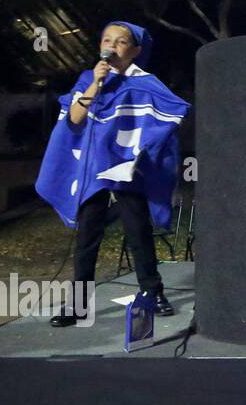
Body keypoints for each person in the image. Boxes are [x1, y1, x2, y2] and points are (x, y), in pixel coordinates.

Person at [35, 22, 190, 326]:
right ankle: (79, 305)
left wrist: (143, 151)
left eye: (121, 42)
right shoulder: (88, 78)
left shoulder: (147, 83)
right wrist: (95, 82)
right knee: (87, 236)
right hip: (93, 169)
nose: (112, 45)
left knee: (137, 231)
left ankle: (153, 292)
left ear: (135, 51)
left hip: (126, 170)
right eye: (107, 39)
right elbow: (75, 120)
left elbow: (173, 116)